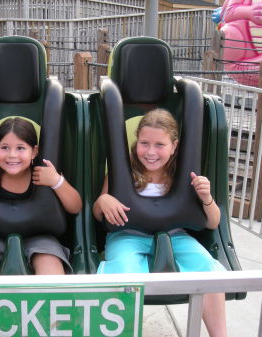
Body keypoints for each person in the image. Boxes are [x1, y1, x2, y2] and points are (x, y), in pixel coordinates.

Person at [92, 108, 227, 337]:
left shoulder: (184, 176)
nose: (151, 152)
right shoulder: (123, 174)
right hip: (128, 236)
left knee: (207, 268)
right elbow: (98, 214)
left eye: (160, 145)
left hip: (176, 236)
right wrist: (103, 200)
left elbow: (213, 223)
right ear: (136, 143)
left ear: (174, 146)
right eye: (144, 143)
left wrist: (206, 198)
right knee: (124, 274)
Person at [0, 117, 82, 275]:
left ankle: (51, 298)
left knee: (49, 263)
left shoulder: (45, 171)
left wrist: (57, 181)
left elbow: (75, 206)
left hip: (40, 236)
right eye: (5, 147)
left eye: (21, 148)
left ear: (34, 151)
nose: (12, 155)